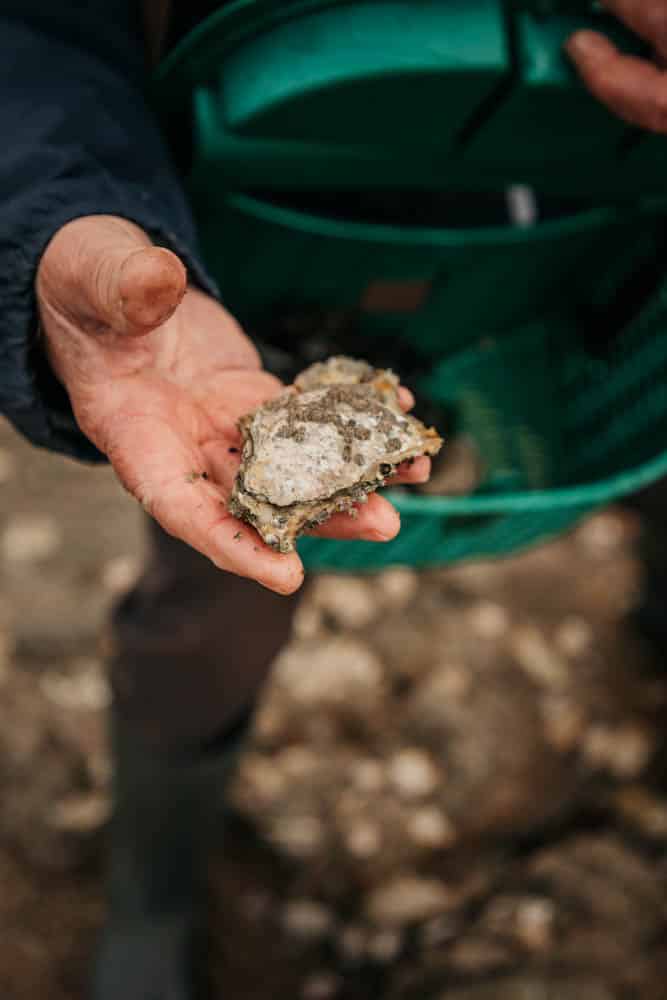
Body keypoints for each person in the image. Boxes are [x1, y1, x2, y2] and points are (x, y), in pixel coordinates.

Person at [0, 1, 665, 997]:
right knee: (218, 586)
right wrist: (61, 209)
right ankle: (156, 878)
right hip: (229, 267)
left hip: (591, 230)